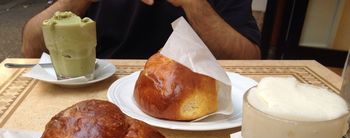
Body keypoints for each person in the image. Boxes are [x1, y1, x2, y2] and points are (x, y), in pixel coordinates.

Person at [22, 0, 261, 59]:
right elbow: (30, 48)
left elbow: (249, 59)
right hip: (96, 92)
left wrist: (194, 4)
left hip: (192, 104)